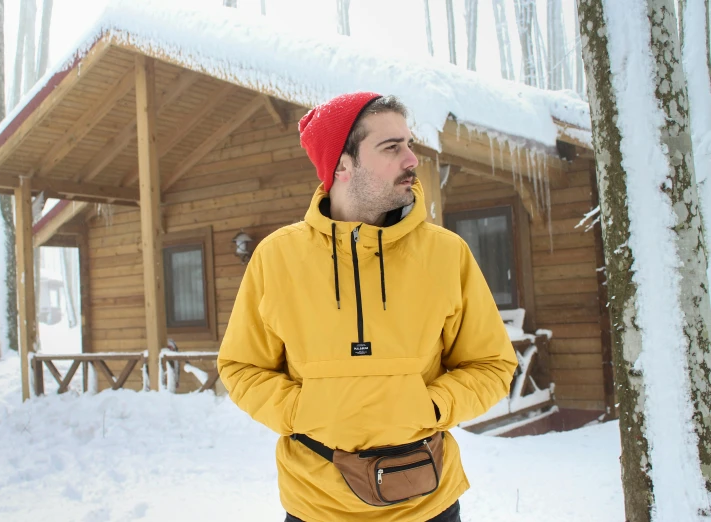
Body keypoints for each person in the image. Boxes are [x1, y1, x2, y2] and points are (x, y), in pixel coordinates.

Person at [217, 92, 518, 522]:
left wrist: (431, 406)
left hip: (425, 501)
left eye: (409, 144)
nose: (411, 160)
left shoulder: (447, 254)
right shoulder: (276, 258)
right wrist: (301, 411)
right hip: (316, 505)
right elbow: (241, 367)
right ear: (341, 165)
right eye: (391, 147)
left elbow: (491, 364)